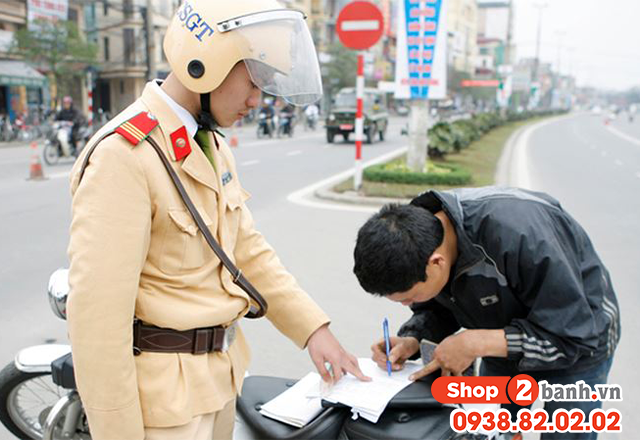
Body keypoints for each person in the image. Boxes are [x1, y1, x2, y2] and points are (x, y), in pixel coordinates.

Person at [66, 1, 367, 439]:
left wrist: (313, 330)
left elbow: (245, 249)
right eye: (254, 80)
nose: (256, 100)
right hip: (163, 409)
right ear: (205, 62)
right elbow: (98, 320)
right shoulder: (125, 155)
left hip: (219, 385)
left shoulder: (211, 143)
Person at [353, 187, 620, 440]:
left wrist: (476, 342)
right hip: (501, 338)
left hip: (579, 340)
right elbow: (441, 306)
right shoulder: (421, 241)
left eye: (409, 298)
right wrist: (413, 338)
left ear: (437, 263)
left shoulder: (521, 236)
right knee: (491, 429)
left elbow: (571, 337)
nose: (407, 304)